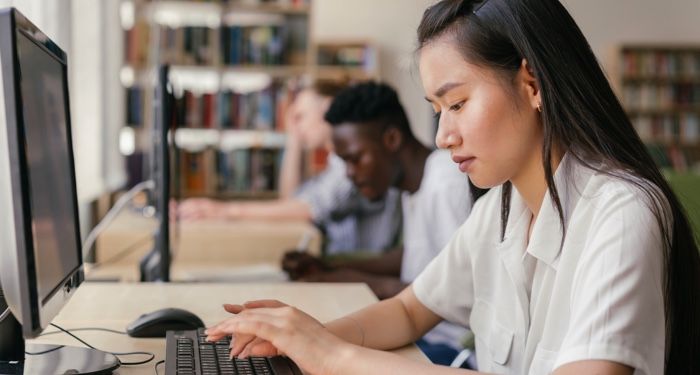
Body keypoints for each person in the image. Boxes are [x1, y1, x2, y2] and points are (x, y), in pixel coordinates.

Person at [205, 1, 700, 374]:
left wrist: (330, 353)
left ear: (532, 85)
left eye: (457, 104)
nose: (443, 136)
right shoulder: (501, 209)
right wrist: (303, 341)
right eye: (437, 111)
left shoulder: (622, 212)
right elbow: (408, 309)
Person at [282, 81, 479, 365]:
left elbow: (460, 294)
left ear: (391, 140)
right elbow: (414, 257)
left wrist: (359, 281)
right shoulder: (412, 185)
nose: (350, 173)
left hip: (453, 348)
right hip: (425, 335)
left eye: (355, 158)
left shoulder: (445, 183)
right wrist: (332, 266)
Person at [178, 81, 402, 254]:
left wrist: (224, 211)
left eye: (300, 116)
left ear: (328, 108)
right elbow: (292, 199)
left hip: (358, 266)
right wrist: (294, 138)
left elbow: (308, 209)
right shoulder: (335, 163)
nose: (295, 123)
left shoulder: (352, 165)